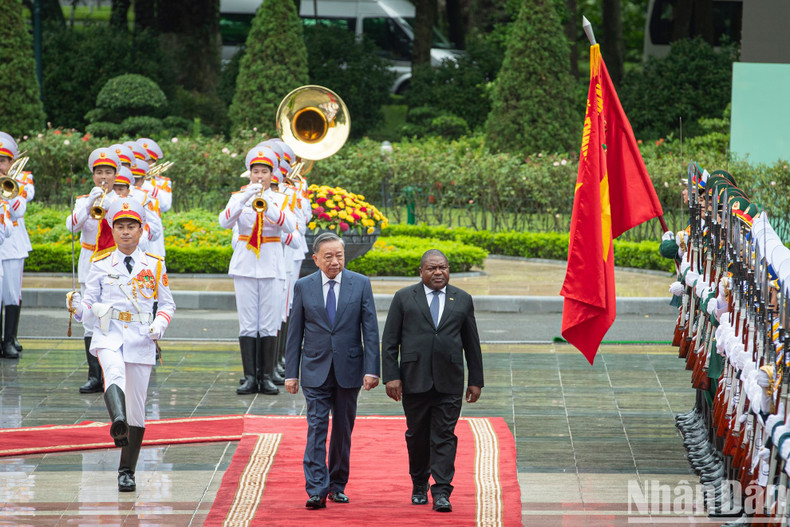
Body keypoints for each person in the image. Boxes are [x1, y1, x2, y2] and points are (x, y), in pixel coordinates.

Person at [66, 197, 175, 492]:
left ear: (141, 231)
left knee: (138, 407)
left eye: (131, 226)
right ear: (112, 231)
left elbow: (167, 305)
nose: (126, 232)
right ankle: (118, 421)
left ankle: (127, 469)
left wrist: (159, 325)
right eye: (120, 227)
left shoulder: (154, 264)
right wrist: (77, 308)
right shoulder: (100, 264)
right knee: (112, 372)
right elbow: (89, 307)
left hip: (141, 336)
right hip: (109, 332)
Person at [381, 249, 484, 513]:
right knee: (417, 436)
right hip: (414, 379)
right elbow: (390, 342)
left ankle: (441, 492)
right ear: (421, 272)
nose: (438, 273)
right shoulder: (404, 298)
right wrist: (391, 376)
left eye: (443, 268)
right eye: (432, 268)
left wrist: (476, 380)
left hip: (450, 381)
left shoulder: (462, 299)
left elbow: (472, 343)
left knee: (444, 435)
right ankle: (419, 484)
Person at [285, 231, 380, 509]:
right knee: (316, 427)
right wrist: (292, 373)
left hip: (349, 368)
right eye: (328, 257)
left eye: (339, 255)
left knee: (342, 429)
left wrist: (372, 369)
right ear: (315, 259)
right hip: (315, 368)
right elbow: (295, 333)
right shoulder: (303, 286)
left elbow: (370, 330)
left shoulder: (360, 284)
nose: (335, 261)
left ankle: (337, 485)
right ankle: (316, 488)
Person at [219, 146, 297, 395]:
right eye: (255, 171)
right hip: (244, 265)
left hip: (271, 265)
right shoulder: (238, 196)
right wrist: (245, 199)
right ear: (249, 173)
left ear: (272, 174)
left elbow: (290, 227)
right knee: (248, 322)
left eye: (264, 171)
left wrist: (268, 206)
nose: (259, 176)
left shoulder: (280, 198)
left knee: (268, 323)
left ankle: (265, 376)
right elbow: (224, 221)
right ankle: (249, 376)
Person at [66, 147, 122, 388]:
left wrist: (108, 203)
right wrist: (89, 203)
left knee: (110, 316)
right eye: (99, 172)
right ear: (93, 175)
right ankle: (93, 376)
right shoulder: (83, 200)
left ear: (115, 175)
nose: (103, 177)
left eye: (108, 172)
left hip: (112, 261)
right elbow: (71, 226)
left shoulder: (121, 201)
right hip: (90, 261)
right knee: (89, 318)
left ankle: (112, 373)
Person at [0, 132, 31, 359]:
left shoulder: (21, 181)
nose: (0, 165)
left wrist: (7, 192)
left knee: (11, 293)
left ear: (11, 162)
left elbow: (19, 210)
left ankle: (9, 339)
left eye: (3, 160)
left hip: (12, 245)